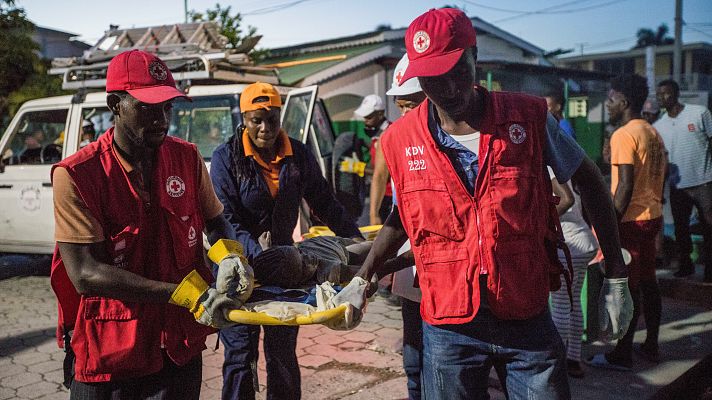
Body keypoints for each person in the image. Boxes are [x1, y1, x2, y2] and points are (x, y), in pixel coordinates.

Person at [332, 8, 633, 399]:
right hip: (448, 326)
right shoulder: (400, 140)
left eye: (458, 70)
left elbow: (589, 180)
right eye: (433, 78)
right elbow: (403, 214)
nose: (449, 88)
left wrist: (616, 271)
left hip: (526, 316)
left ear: (476, 57)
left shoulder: (526, 118)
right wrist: (364, 276)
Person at [50, 50, 251, 400]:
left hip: (178, 346)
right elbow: (84, 273)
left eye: (167, 107)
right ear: (115, 104)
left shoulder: (186, 158)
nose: (161, 118)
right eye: (147, 107)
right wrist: (182, 294)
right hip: (112, 355)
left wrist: (229, 257)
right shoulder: (77, 175)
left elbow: (216, 222)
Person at [209, 81, 362, 400]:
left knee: (282, 355)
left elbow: (324, 202)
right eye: (257, 120)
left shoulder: (296, 154)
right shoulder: (227, 158)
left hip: (284, 270)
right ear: (244, 118)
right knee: (239, 357)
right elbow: (227, 220)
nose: (265, 127)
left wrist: (356, 240)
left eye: (272, 119)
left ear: (280, 117)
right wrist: (256, 258)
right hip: (239, 269)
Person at [587, 74, 667, 370]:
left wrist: (610, 224)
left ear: (625, 102)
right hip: (652, 216)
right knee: (648, 283)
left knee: (629, 288)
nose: (607, 105)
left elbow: (624, 187)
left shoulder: (624, 134)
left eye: (610, 100)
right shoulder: (652, 132)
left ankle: (621, 354)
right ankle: (652, 344)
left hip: (631, 221)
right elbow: (662, 174)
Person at [379, 53, 427, 400]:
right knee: (414, 346)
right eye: (401, 106)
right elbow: (400, 213)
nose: (404, 115)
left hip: (450, 271)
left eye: (412, 105)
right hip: (411, 260)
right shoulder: (398, 141)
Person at [654, 79, 712, 282]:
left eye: (666, 94)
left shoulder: (699, 113)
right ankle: (685, 265)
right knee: (681, 227)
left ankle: (709, 268)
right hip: (677, 185)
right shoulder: (658, 126)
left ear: (676, 94)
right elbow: (662, 159)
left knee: (709, 225)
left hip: (704, 181)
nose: (662, 98)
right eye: (659, 94)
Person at [548, 168, 599, 378]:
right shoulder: (564, 169)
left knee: (560, 304)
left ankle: (557, 363)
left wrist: (542, 218)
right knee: (573, 301)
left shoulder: (548, 167)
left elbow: (566, 200)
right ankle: (573, 359)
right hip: (583, 240)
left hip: (569, 244)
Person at [353, 94, 392, 224]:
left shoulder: (387, 135)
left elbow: (383, 174)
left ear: (380, 114)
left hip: (388, 197)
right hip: (382, 195)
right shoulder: (377, 135)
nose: (365, 120)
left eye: (369, 117)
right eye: (364, 117)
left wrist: (358, 168)